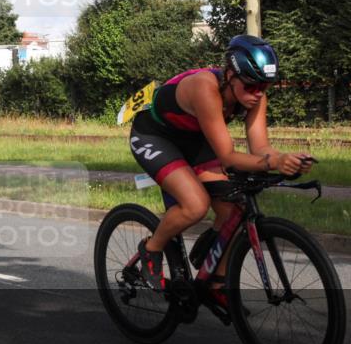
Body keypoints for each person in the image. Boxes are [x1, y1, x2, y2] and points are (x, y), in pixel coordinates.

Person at [128, 34, 314, 309]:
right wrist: (272, 163)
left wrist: (286, 159)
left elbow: (260, 147)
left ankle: (215, 282)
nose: (258, 93)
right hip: (155, 137)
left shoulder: (255, 94)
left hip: (195, 139)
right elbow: (228, 157)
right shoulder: (205, 88)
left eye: (264, 86)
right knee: (195, 205)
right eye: (252, 85)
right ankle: (151, 250)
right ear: (230, 75)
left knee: (232, 209)